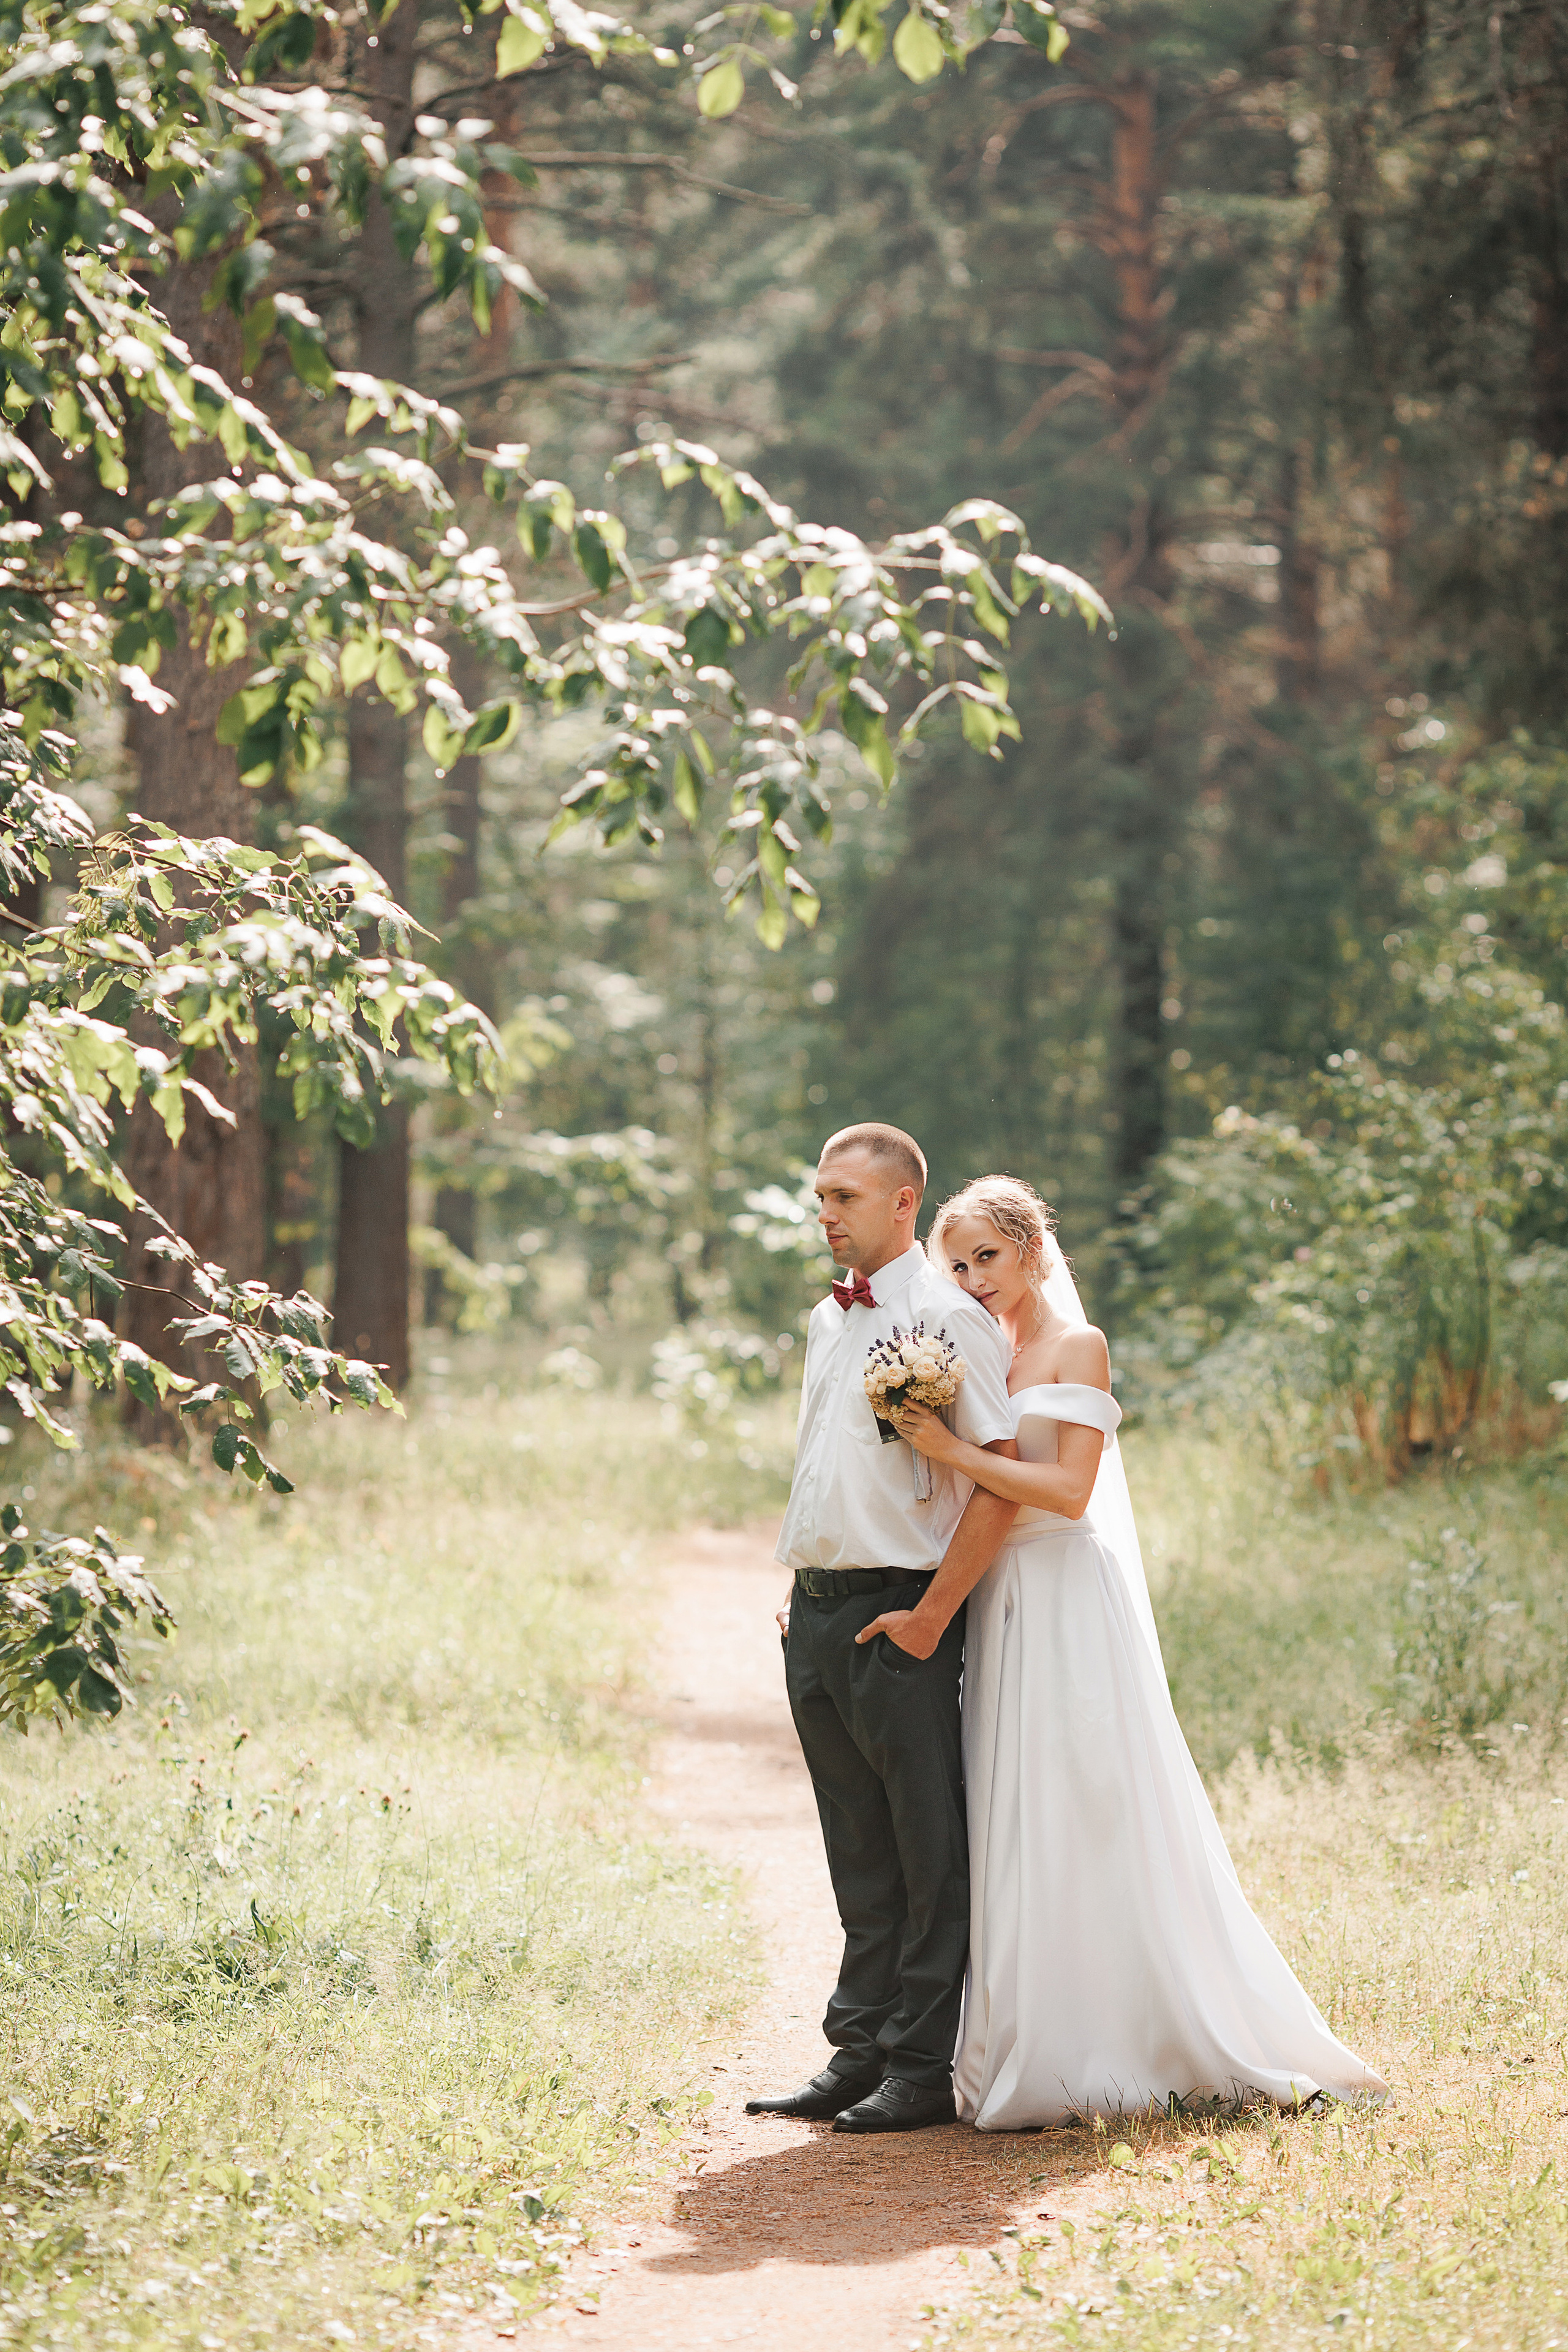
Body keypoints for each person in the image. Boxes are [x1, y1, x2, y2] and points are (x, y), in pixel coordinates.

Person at [886, 1174, 1387, 2128]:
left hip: (1067, 1592)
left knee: (1094, 1793)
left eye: (987, 1256)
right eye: (955, 1263)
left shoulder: (1078, 1345)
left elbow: (1068, 1490)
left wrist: (949, 1452)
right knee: (1013, 1806)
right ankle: (1030, 2032)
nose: (971, 1276)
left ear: (1034, 1252)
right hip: (999, 1601)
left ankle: (1141, 2029)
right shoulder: (966, 1351)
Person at [745, 1124, 1020, 2134]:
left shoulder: (952, 1320)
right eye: (821, 1196)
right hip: (816, 1613)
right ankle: (856, 2050)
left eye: (847, 1198)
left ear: (905, 1203)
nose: (827, 1215)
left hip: (901, 1612)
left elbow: (997, 1478)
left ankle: (921, 2062)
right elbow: (832, 1463)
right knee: (857, 1846)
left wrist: (931, 1617)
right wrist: (809, 1575)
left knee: (924, 1847)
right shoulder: (829, 1319)